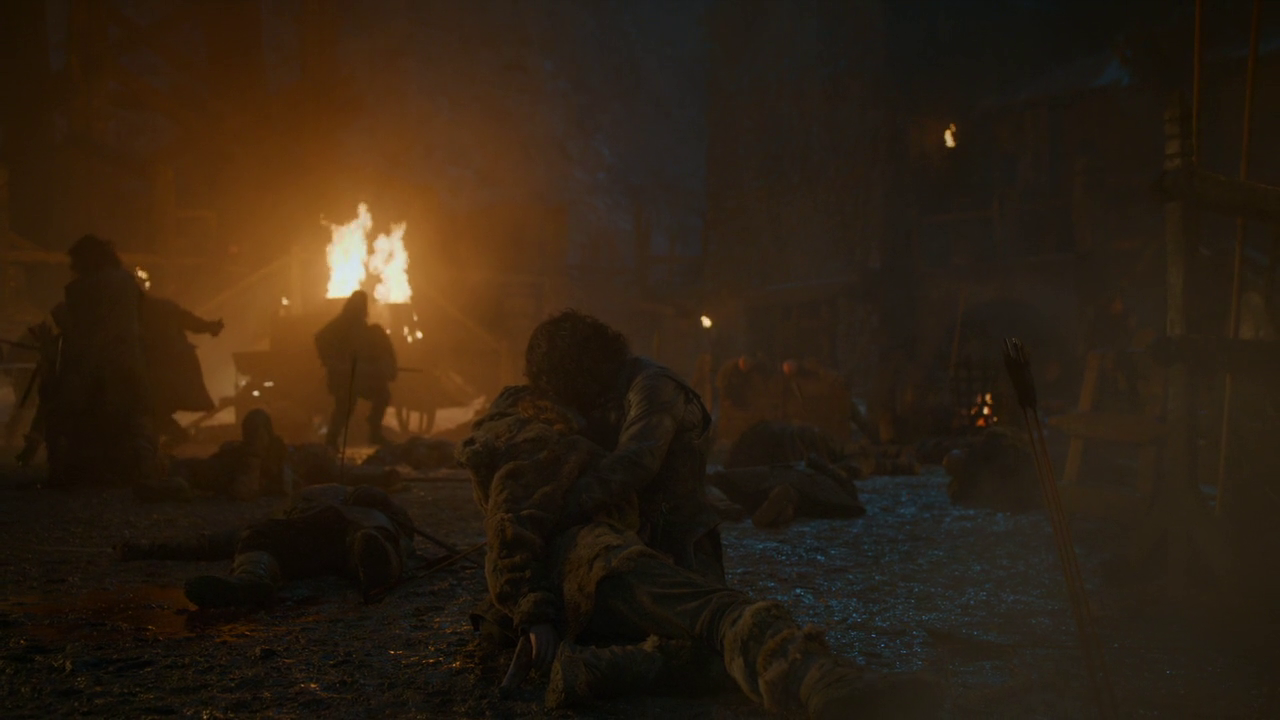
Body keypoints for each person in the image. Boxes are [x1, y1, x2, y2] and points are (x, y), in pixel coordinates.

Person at [457, 385, 942, 718]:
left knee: (697, 631)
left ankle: (601, 670)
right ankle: (818, 679)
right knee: (715, 613)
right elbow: (512, 521)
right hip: (597, 562)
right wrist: (534, 611)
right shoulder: (531, 433)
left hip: (590, 570)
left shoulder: (521, 434)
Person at [523, 309, 722, 582]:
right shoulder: (603, 393)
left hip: (679, 543)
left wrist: (559, 508)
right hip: (627, 533)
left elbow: (635, 462)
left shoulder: (654, 385)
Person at [116, 483, 415, 607]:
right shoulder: (289, 515)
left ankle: (379, 565)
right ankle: (251, 581)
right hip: (308, 536)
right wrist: (147, 549)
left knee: (368, 538)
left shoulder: (371, 508)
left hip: (350, 529)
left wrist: (382, 501)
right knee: (258, 536)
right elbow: (212, 542)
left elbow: (406, 529)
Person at [55, 235, 156, 487]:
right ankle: (136, 468)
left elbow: (79, 328)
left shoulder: (82, 288)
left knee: (95, 418)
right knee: (130, 418)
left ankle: (99, 471)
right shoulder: (127, 282)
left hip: (97, 363)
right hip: (129, 359)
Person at [315, 291, 397, 448]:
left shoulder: (365, 328)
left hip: (360, 376)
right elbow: (320, 339)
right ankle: (331, 440)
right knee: (344, 408)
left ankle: (374, 431)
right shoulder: (340, 324)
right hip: (344, 378)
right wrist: (332, 361)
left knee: (382, 394)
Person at [139, 293, 223, 445]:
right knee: (154, 409)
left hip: (163, 369)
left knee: (153, 408)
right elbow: (189, 321)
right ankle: (171, 439)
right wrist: (210, 327)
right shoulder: (162, 307)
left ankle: (171, 440)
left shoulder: (134, 312)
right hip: (172, 366)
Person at [167, 408, 294, 501]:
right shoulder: (243, 456)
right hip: (186, 471)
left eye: (257, 432)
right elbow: (243, 491)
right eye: (251, 433)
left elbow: (282, 486)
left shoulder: (275, 453)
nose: (254, 437)